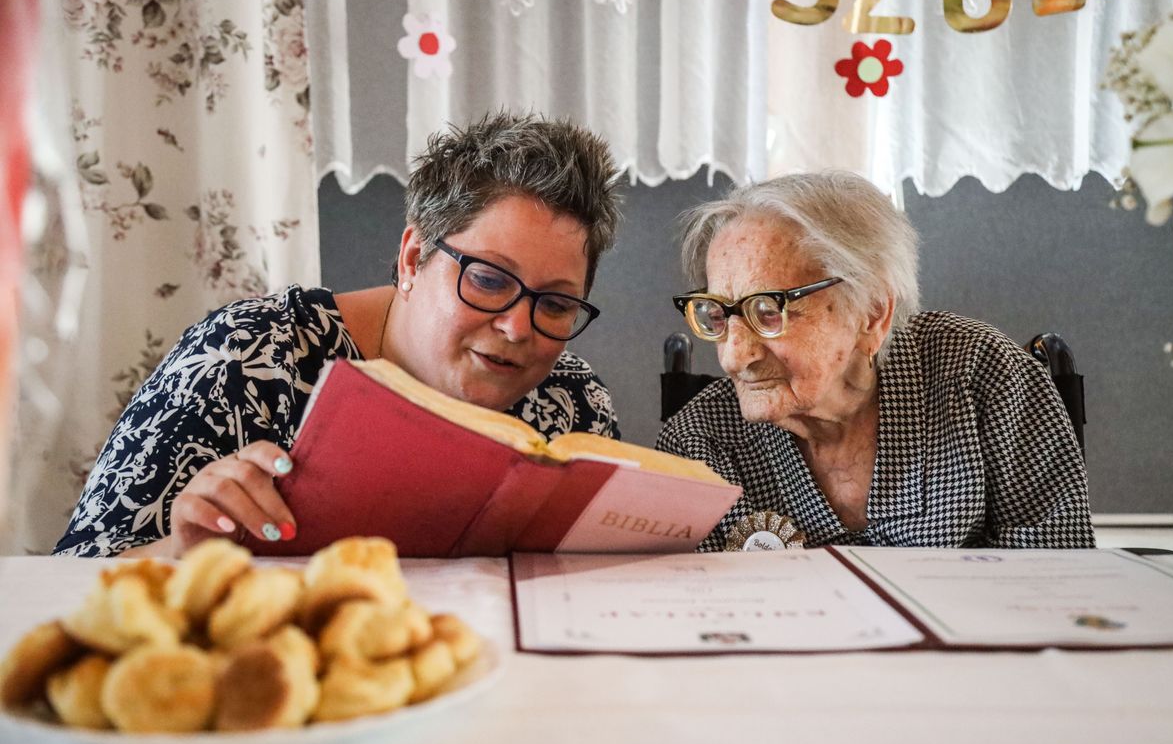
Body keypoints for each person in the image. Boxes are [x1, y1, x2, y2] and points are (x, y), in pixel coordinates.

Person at [56, 112, 623, 557]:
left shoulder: (573, 404)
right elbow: (69, 579)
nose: (517, 327)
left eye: (554, 303)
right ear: (411, 258)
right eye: (489, 279)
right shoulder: (246, 357)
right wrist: (180, 552)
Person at [657, 171, 1094, 550]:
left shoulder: (983, 378)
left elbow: (1058, 582)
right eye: (717, 313)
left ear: (871, 313)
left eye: (768, 310)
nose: (735, 356)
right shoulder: (700, 443)